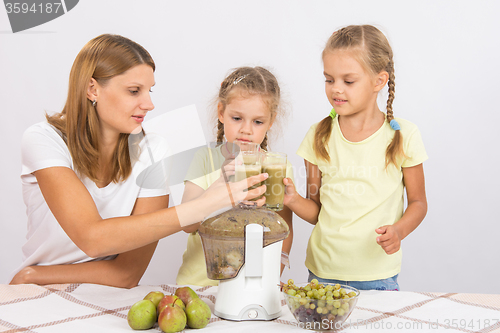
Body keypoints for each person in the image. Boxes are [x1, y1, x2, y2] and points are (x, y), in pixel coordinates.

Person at [9, 34, 267, 288]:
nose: (149, 104)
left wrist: (36, 275)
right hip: (38, 295)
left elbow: (126, 275)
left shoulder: (153, 151)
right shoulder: (44, 140)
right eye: (134, 91)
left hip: (95, 292)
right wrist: (207, 204)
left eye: (149, 91)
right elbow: (92, 238)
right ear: (92, 88)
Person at [284, 25, 428, 290]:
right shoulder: (319, 136)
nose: (336, 89)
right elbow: (317, 211)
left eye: (348, 81)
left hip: (378, 276)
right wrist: (293, 200)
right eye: (329, 80)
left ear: (379, 81)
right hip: (323, 274)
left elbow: (418, 202)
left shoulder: (404, 135)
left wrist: (399, 231)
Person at [176, 66, 294, 287]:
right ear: (222, 112)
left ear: (271, 121)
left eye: (258, 122)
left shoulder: (277, 166)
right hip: (199, 285)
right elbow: (187, 224)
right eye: (237, 118)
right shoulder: (205, 158)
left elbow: (284, 229)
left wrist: (271, 276)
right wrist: (218, 187)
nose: (246, 130)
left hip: (251, 286)